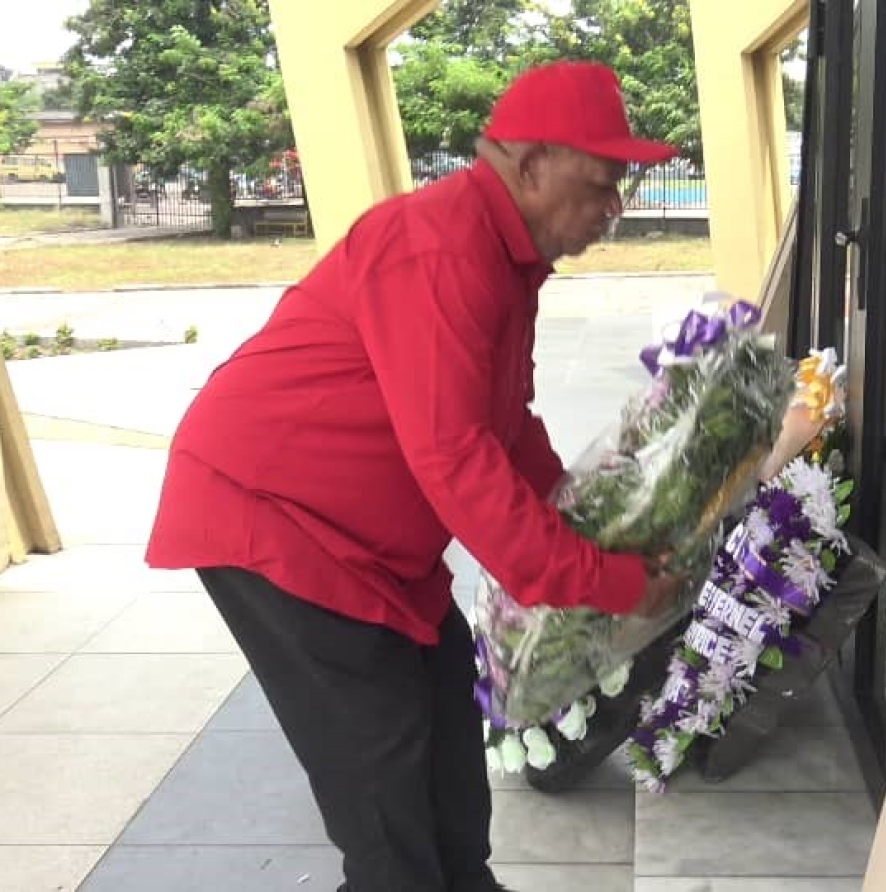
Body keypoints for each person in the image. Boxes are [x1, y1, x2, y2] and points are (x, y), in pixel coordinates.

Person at [145, 60, 685, 892]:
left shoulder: (508, 258)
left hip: (372, 547)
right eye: (603, 182)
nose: (615, 208)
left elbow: (506, 427)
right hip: (279, 525)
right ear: (532, 164)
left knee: (444, 744)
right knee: (386, 800)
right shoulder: (440, 245)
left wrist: (590, 521)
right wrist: (597, 579)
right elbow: (458, 460)